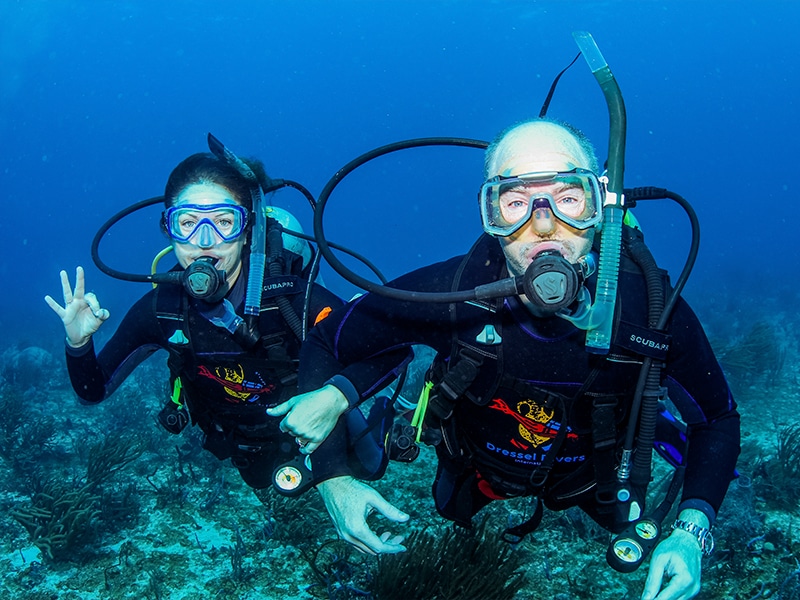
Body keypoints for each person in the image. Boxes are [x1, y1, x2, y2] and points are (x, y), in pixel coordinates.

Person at [271, 119, 740, 600]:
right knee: (450, 508)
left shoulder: (651, 311)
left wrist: (690, 532)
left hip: (593, 480)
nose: (542, 225)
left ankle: (651, 420)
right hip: (477, 469)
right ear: (489, 213)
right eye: (515, 202)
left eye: (569, 196)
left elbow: (718, 418)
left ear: (601, 206)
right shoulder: (452, 295)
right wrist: (332, 475)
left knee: (627, 519)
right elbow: (329, 341)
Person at [45, 145, 401, 495]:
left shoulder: (293, 299)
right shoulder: (161, 310)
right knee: (260, 481)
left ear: (247, 230)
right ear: (169, 230)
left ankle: (377, 417)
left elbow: (397, 352)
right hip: (242, 441)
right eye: (186, 223)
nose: (203, 242)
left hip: (317, 423)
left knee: (371, 466)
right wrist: (78, 343)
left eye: (223, 222)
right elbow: (93, 392)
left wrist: (336, 398)